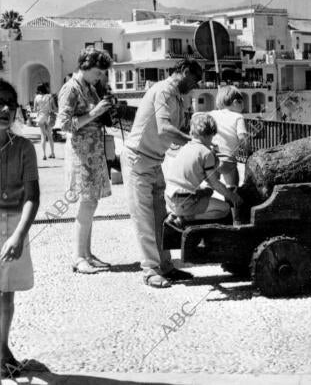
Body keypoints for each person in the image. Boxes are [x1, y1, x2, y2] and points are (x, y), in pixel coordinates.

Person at [120, 59, 202, 289]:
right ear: (184, 72)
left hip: (154, 161)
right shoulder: (165, 91)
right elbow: (164, 128)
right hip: (139, 159)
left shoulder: (174, 95)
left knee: (159, 217)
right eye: (194, 81)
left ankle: (165, 265)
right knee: (145, 218)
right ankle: (150, 270)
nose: (194, 86)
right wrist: (194, 142)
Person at [56, 47, 113, 275]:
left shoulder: (88, 87)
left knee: (91, 203)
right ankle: (79, 257)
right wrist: (96, 112)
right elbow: (64, 124)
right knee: (86, 203)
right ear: (86, 67)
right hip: (81, 153)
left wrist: (104, 111)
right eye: (98, 72)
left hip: (92, 151)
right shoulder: (70, 88)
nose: (100, 77)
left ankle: (87, 254)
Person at [0, 80, 40, 379]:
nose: (5, 109)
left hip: (14, 225)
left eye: (11, 105)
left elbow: (32, 196)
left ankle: (2, 349)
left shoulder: (24, 147)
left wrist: (18, 234)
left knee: (6, 295)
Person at [163, 113, 243, 224]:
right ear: (209, 134)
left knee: (207, 191)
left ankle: (177, 214)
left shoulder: (185, 147)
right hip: (184, 201)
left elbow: (205, 179)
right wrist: (233, 197)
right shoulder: (206, 153)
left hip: (170, 197)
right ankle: (185, 219)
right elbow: (215, 183)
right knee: (224, 209)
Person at [208, 86, 248, 188]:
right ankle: (231, 201)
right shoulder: (238, 117)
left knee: (212, 184)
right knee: (232, 186)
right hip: (227, 160)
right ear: (235, 102)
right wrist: (248, 152)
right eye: (242, 102)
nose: (244, 105)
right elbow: (242, 138)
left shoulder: (211, 114)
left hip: (211, 158)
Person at [33, 83, 56, 160]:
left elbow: (35, 109)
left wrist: (40, 109)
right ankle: (52, 153)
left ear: (38, 90)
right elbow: (54, 108)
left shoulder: (36, 97)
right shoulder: (50, 97)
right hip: (49, 117)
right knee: (50, 136)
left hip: (40, 118)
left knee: (43, 136)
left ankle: (44, 154)